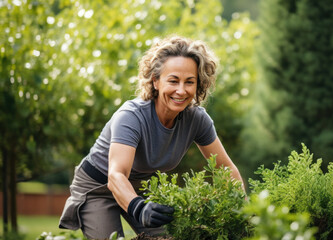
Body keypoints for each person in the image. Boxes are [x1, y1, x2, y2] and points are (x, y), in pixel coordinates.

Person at [59, 36, 245, 239]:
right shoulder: (131, 116)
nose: (181, 90)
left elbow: (226, 169)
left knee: (171, 236)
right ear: (155, 81)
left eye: (189, 82)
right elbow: (116, 175)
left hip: (143, 187)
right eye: (173, 81)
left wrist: (244, 212)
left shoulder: (197, 119)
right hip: (98, 187)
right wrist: (138, 208)